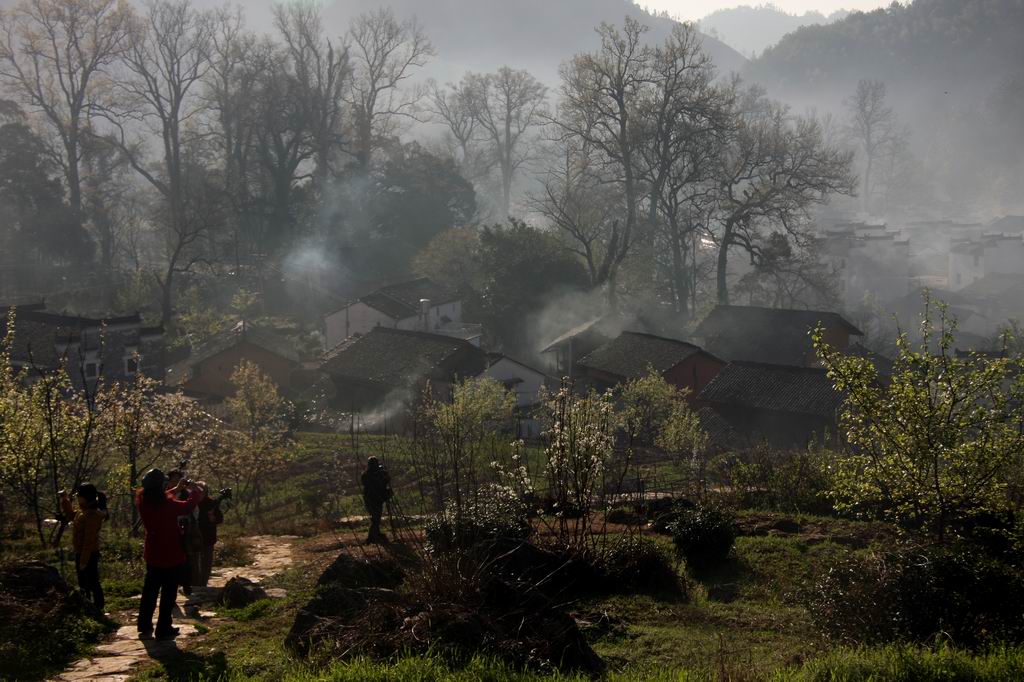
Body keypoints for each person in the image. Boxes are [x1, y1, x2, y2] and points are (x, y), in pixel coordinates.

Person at [136, 469, 198, 640]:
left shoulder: (142, 500)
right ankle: (163, 627)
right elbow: (187, 506)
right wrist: (195, 491)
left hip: (153, 552)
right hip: (171, 553)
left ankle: (144, 624)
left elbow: (163, 496)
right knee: (169, 593)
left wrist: (176, 489)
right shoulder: (169, 505)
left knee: (149, 591)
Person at [59, 483, 108, 612]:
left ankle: (97, 607)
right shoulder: (83, 511)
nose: (77, 497)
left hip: (89, 553)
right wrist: (65, 500)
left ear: (85, 497)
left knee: (91, 581)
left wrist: (83, 560)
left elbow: (89, 541)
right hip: (82, 552)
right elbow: (71, 515)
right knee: (84, 582)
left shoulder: (92, 515)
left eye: (78, 495)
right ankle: (88, 607)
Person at [196, 482, 224, 587]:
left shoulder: (211, 503)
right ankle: (194, 584)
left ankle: (203, 584)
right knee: (194, 564)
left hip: (208, 538)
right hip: (193, 538)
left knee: (206, 563)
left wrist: (212, 518)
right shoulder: (191, 502)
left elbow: (219, 518)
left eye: (201, 490)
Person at [361, 457, 391, 544]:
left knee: (376, 518)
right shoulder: (372, 475)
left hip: (372, 499)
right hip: (375, 499)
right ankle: (371, 538)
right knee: (376, 519)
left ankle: (376, 534)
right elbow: (385, 481)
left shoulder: (367, 474)